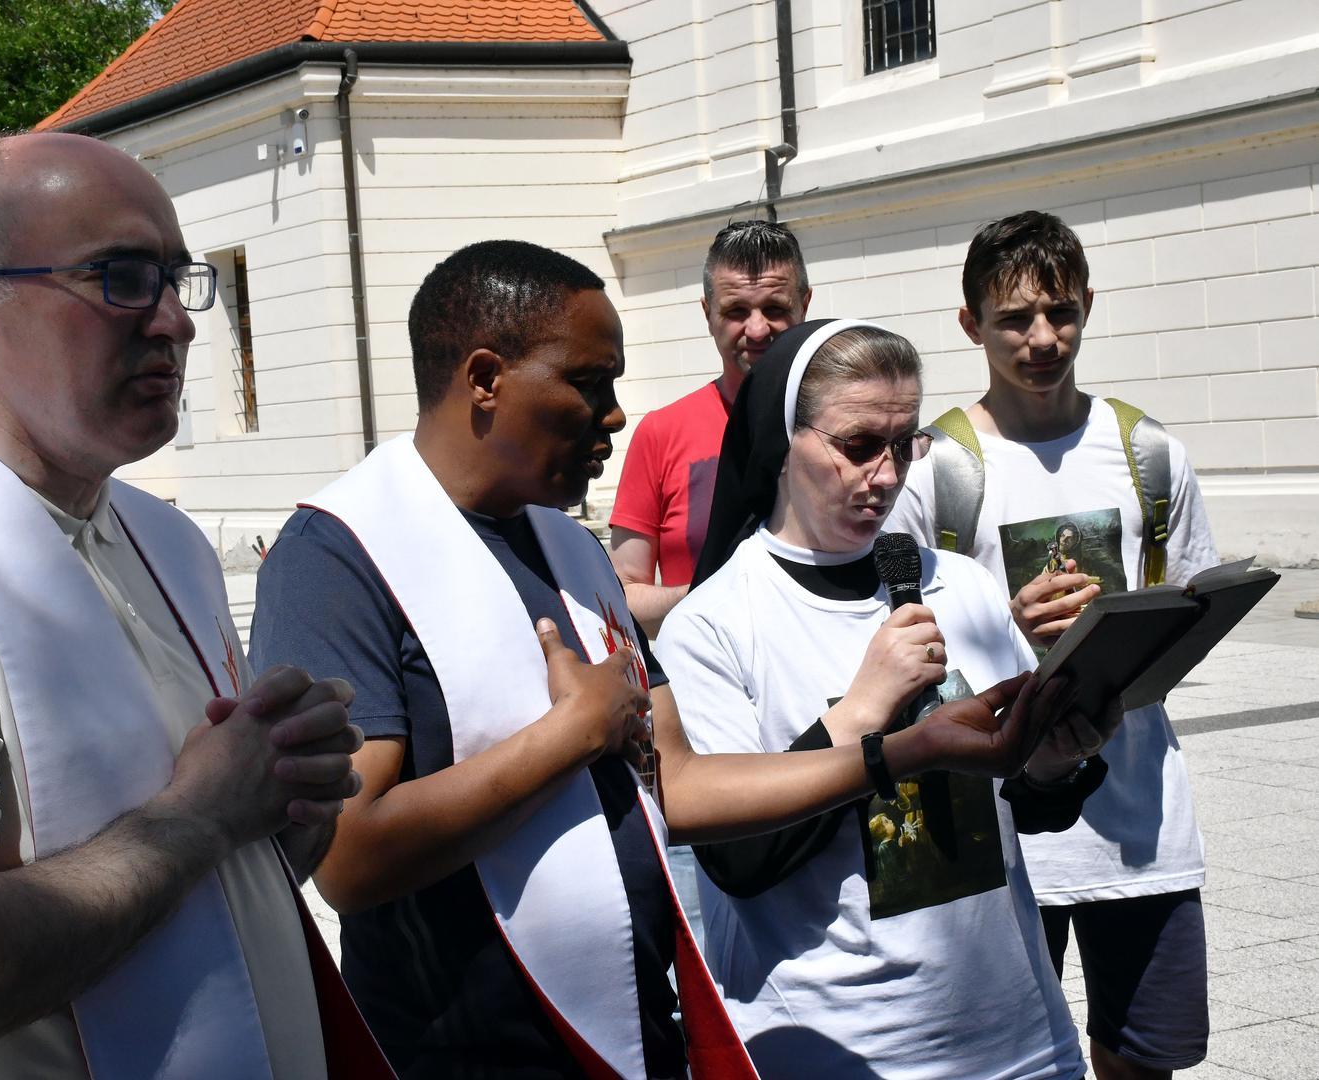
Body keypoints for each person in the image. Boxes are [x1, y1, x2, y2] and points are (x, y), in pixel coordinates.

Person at [250, 241, 1083, 1079]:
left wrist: (908, 749)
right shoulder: (337, 554)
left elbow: (676, 781)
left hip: (628, 1025)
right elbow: (347, 859)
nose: (615, 415)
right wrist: (572, 734)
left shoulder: (565, 547)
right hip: (460, 1045)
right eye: (586, 382)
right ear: (483, 378)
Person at [0, 131, 390, 1080]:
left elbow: (198, 903)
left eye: (177, 278)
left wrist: (284, 801)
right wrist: (202, 815)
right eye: (121, 277)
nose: (174, 320)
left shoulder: (166, 541)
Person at [657, 319, 1120, 1078]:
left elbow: (1023, 812)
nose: (884, 474)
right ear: (783, 438)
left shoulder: (959, 584)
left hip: (1017, 1037)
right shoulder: (711, 624)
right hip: (835, 1047)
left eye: (903, 444)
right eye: (857, 444)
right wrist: (860, 710)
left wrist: (1054, 760)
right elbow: (736, 861)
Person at [885, 211, 1217, 1079]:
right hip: (999, 837)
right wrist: (1005, 624)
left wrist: (1124, 625)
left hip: (1139, 828)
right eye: (1014, 319)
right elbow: (902, 647)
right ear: (970, 325)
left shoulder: (1147, 452)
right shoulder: (938, 470)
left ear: (1087, 307)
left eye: (1060, 312)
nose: (1042, 338)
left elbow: (1189, 623)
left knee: (1145, 1060)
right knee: (997, 1063)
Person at [608, 220, 812, 636]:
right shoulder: (662, 432)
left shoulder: (844, 426)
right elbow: (622, 595)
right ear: (707, 313)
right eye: (736, 311)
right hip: (703, 679)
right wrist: (711, 595)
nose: (757, 330)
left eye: (774, 308)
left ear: (804, 305)